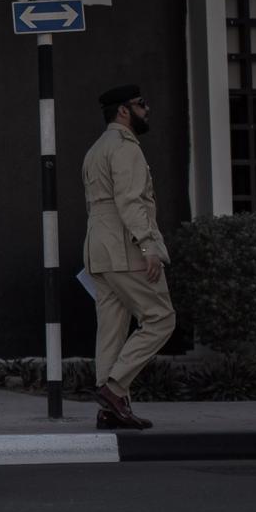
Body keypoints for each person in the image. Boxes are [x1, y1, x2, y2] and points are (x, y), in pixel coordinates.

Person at [81, 84, 175, 430]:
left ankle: (109, 412)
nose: (147, 109)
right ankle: (114, 389)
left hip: (99, 252)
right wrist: (149, 247)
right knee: (161, 318)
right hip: (126, 250)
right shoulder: (126, 149)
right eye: (141, 104)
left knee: (111, 329)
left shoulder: (95, 150)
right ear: (124, 110)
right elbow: (130, 202)